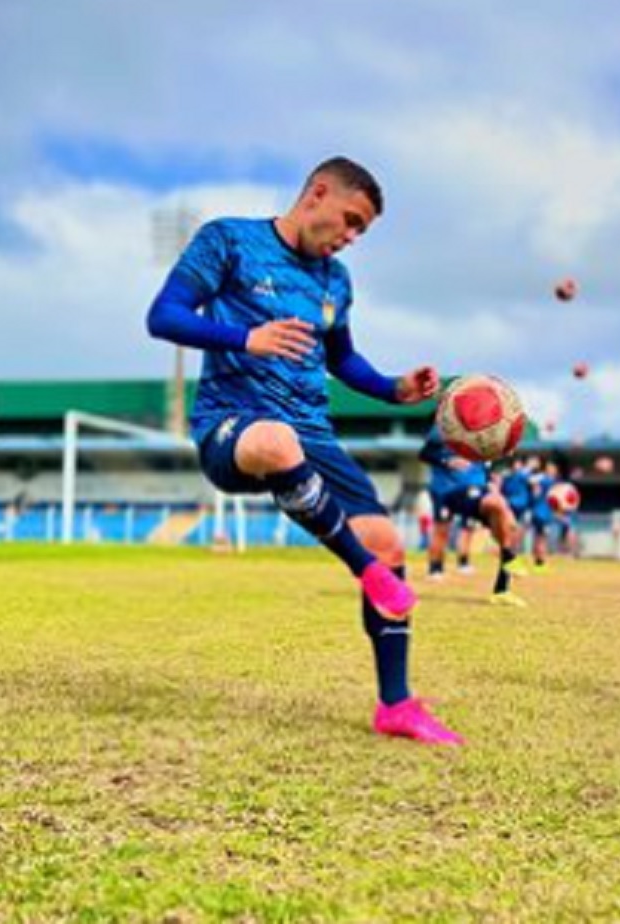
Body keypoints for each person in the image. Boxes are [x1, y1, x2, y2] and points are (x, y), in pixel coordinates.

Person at [146, 156, 460, 745]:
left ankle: (396, 704)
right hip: (232, 426)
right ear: (316, 193)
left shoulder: (335, 281)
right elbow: (162, 316)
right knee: (276, 439)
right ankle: (364, 571)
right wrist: (246, 338)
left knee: (388, 541)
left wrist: (395, 388)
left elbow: (342, 361)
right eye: (349, 220)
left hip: (314, 433)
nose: (350, 237)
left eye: (361, 231)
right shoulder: (229, 240)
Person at [419, 425, 528, 607]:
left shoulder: (487, 432)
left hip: (477, 488)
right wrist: (447, 461)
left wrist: (490, 481)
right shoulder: (447, 423)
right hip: (448, 489)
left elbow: (484, 466)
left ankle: (502, 590)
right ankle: (436, 568)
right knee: (442, 529)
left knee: (509, 526)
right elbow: (425, 453)